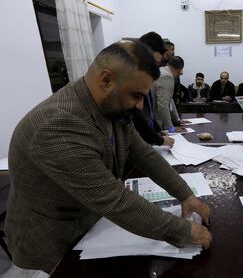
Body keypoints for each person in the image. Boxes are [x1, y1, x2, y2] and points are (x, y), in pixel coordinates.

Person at [5, 41, 212, 274]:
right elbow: (113, 199)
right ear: (106, 80)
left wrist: (184, 194)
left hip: (89, 227)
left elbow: (141, 152)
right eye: (136, 95)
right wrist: (183, 231)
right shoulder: (57, 124)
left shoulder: (109, 105)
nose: (139, 104)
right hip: (49, 249)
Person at [128, 32, 174, 147]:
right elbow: (137, 118)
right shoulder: (130, 78)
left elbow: (148, 113)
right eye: (153, 62)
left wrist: (158, 131)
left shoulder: (145, 77)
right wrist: (159, 140)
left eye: (157, 64)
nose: (155, 68)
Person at [152, 56, 186, 130]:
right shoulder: (167, 77)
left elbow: (169, 99)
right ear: (180, 69)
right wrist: (170, 128)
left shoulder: (162, 70)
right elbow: (163, 106)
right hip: (155, 122)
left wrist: (177, 119)